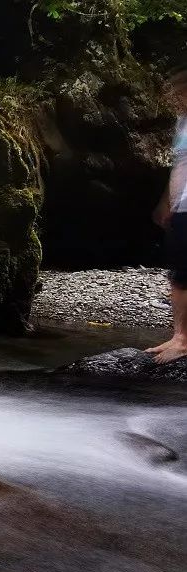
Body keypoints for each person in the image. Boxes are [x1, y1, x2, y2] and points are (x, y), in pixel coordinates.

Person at [147, 67, 187, 363]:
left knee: (183, 274)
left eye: (179, 92)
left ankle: (183, 340)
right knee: (178, 273)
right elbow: (179, 165)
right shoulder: (182, 122)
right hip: (181, 207)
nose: (174, 98)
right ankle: (179, 335)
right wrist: (166, 202)